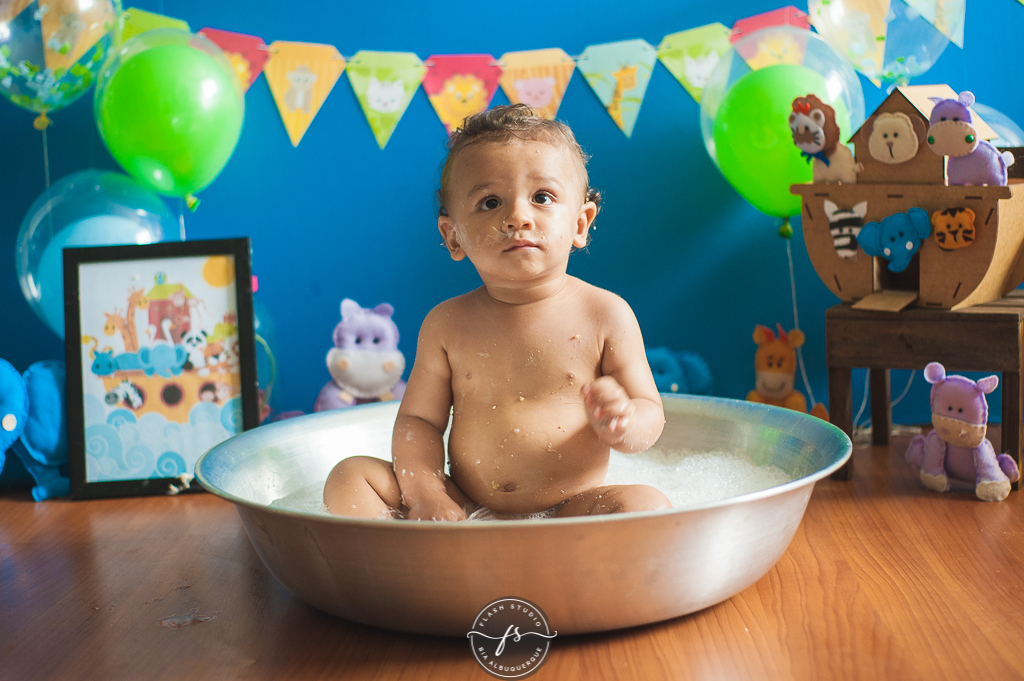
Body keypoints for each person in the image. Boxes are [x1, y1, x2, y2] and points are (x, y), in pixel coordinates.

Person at [323, 104, 670, 520]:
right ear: (453, 236)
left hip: (570, 513)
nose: (517, 217)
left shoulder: (605, 314)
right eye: (490, 202)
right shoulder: (447, 324)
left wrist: (625, 421)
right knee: (349, 476)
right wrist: (426, 492)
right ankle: (413, 565)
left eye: (542, 197)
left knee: (646, 506)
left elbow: (650, 413)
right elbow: (419, 420)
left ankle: (562, 565)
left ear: (581, 223)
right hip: (465, 506)